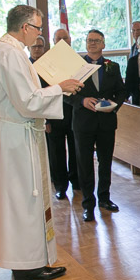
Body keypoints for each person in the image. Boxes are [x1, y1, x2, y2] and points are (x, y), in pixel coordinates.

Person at [0, 5, 82, 280]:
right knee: (24, 199)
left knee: (22, 199)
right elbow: (27, 101)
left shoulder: (6, 50)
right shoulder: (10, 54)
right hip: (18, 135)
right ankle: (27, 266)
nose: (40, 35)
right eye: (38, 28)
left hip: (15, 133)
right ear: (25, 27)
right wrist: (59, 88)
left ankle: (29, 262)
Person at [71, 29, 128, 222]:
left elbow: (122, 92)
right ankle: (88, 204)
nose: (92, 43)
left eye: (96, 40)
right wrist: (82, 100)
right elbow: (67, 94)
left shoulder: (113, 66)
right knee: (85, 163)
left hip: (106, 122)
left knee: (105, 162)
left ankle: (105, 198)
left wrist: (113, 106)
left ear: (103, 44)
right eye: (89, 40)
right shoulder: (77, 67)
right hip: (83, 123)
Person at [46, 29, 79, 200]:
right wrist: (45, 119)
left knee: (76, 150)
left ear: (70, 40)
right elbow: (42, 92)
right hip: (55, 114)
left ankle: (77, 181)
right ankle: (60, 186)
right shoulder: (47, 63)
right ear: (53, 41)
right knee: (57, 153)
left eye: (65, 38)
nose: (62, 40)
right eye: (58, 38)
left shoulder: (78, 61)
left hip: (75, 114)